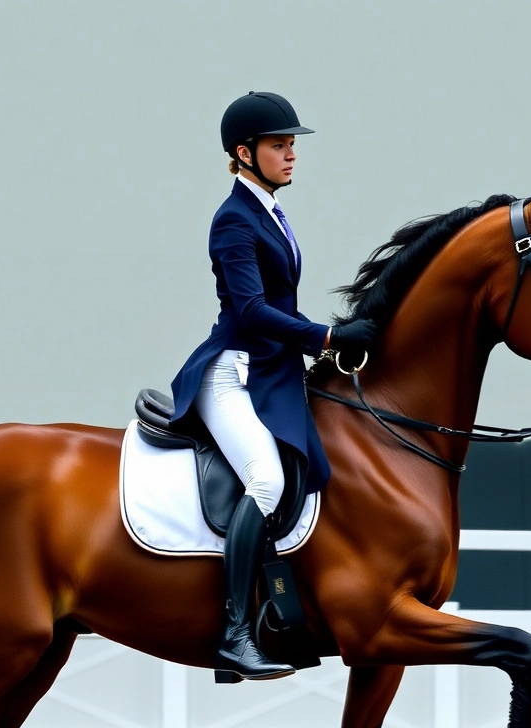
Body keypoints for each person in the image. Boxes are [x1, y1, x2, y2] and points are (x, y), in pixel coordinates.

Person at [166, 91, 376, 682]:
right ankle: (234, 635)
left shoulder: (271, 212)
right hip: (232, 371)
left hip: (269, 369)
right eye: (279, 145)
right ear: (244, 152)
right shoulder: (233, 219)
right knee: (266, 478)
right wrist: (327, 337)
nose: (290, 154)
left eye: (291, 145)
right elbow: (253, 311)